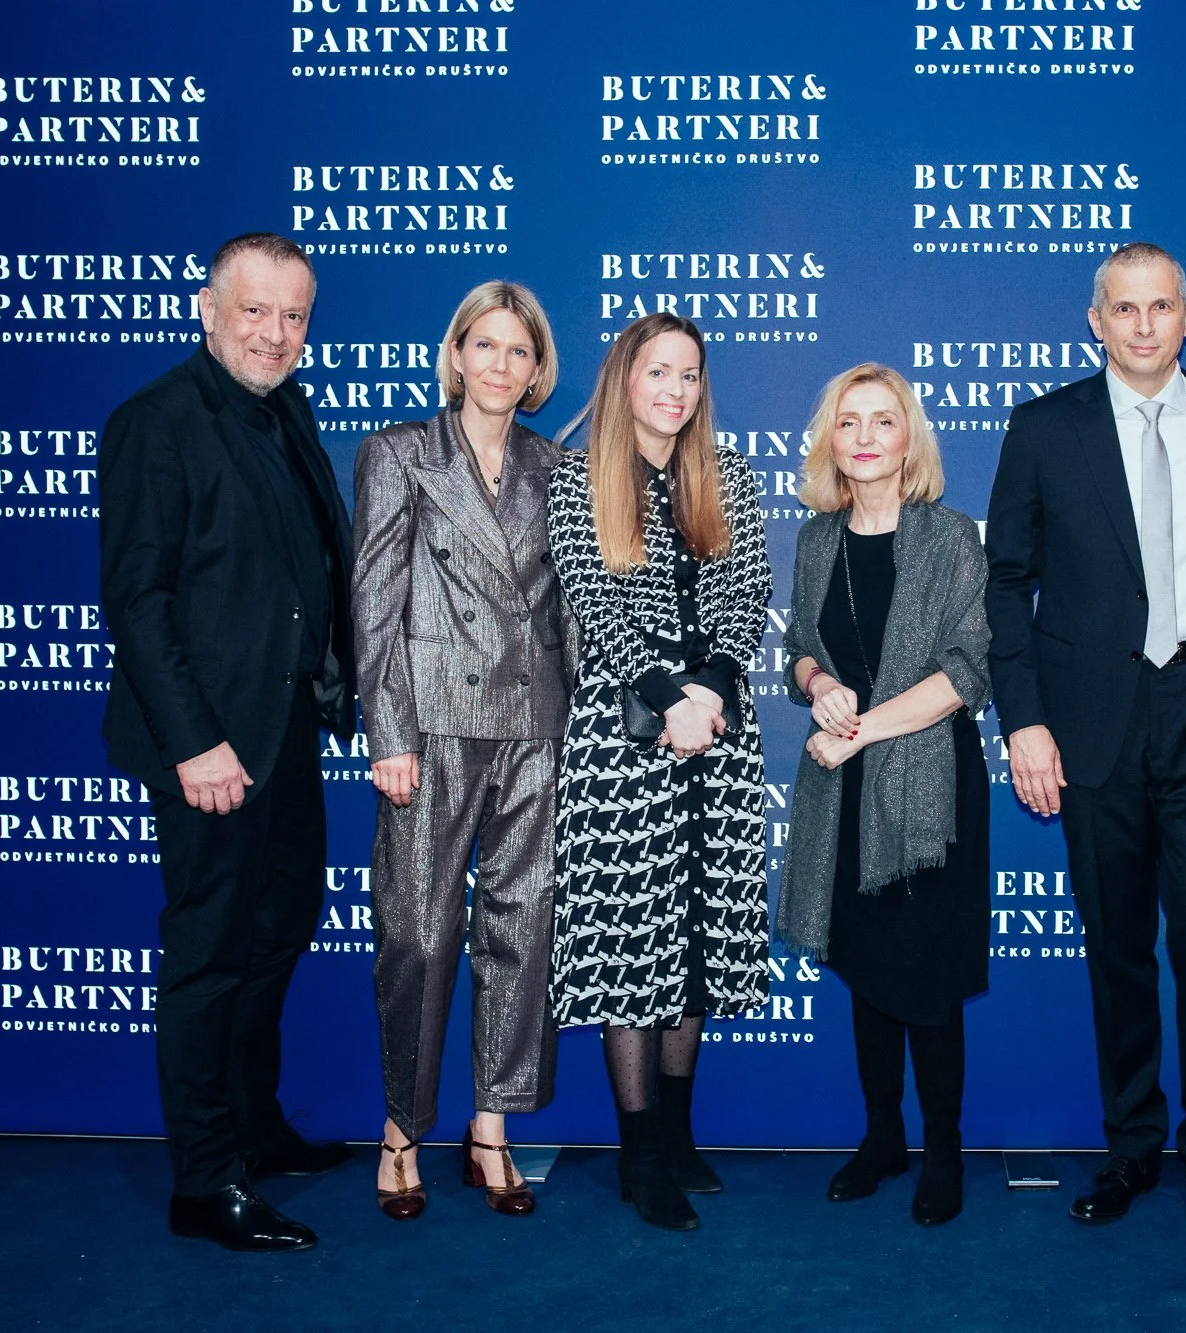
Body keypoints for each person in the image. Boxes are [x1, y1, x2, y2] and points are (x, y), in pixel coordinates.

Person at [984, 242, 1186, 1235]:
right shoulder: (1041, 427)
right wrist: (1021, 717)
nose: (1144, 324)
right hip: (1090, 719)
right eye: (1124, 308)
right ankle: (1129, 1146)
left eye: (1161, 307)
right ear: (1094, 321)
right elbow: (1003, 584)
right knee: (1115, 945)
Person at [98, 233, 355, 1252]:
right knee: (207, 953)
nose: (276, 333)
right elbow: (137, 599)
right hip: (211, 743)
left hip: (285, 725)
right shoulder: (157, 422)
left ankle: (254, 1125)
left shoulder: (283, 409)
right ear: (209, 309)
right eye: (255, 311)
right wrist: (195, 742)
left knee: (281, 925)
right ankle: (204, 1180)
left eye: (294, 315)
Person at [545, 312, 772, 1232]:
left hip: (716, 733)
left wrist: (709, 692)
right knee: (633, 942)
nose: (674, 390)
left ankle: (678, 1138)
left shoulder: (729, 478)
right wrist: (666, 697)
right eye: (657, 372)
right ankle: (640, 1158)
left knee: (697, 941)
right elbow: (592, 602)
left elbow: (745, 591)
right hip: (620, 733)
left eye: (688, 375)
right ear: (624, 380)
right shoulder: (575, 479)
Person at [351, 281, 572, 1221]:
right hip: (432, 725)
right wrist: (389, 733)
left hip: (534, 726)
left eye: (518, 352)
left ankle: (492, 1129)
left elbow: (566, 608)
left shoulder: (555, 465)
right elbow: (374, 602)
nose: (499, 365)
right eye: (484, 345)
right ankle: (403, 1127)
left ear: (535, 372)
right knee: (417, 932)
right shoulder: (399, 453)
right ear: (455, 355)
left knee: (521, 933)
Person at [775, 364, 992, 1226]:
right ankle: (882, 1138)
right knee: (867, 972)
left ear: (910, 439)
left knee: (927, 982)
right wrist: (816, 678)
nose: (865, 436)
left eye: (883, 421)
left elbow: (965, 673)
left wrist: (858, 728)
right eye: (849, 422)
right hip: (844, 788)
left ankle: (944, 1150)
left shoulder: (951, 539)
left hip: (928, 788)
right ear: (831, 439)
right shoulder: (817, 538)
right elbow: (798, 646)